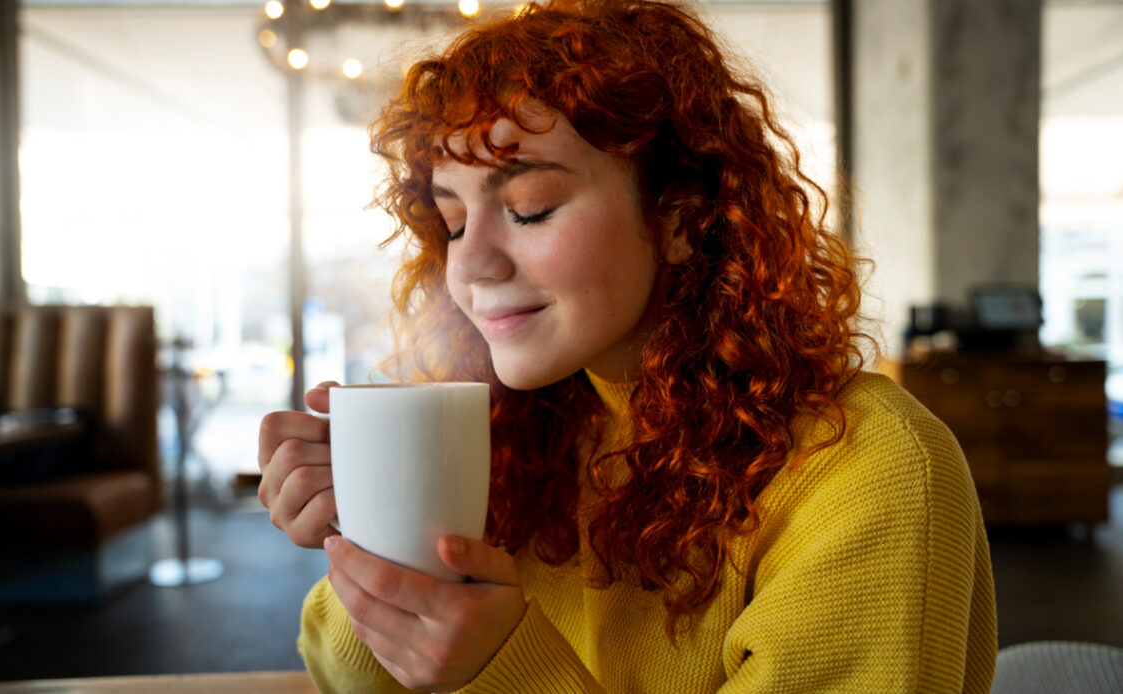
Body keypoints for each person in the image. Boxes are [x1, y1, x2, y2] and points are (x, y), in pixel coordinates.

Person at [256, 0, 998, 691]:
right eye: (452, 223)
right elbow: (350, 677)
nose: (470, 266)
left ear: (681, 217)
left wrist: (501, 668)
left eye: (528, 209)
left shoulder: (869, 469)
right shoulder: (514, 433)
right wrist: (375, 533)